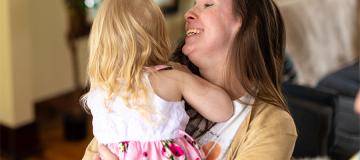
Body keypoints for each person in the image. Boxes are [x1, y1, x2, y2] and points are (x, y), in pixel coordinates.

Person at [83, 0, 298, 159]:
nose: (188, 14)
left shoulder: (272, 126)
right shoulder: (145, 92)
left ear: (247, 22)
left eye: (208, 4)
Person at [82, 0, 234, 159]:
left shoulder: (98, 94)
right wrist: (186, 76)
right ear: (158, 38)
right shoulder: (171, 79)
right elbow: (223, 110)